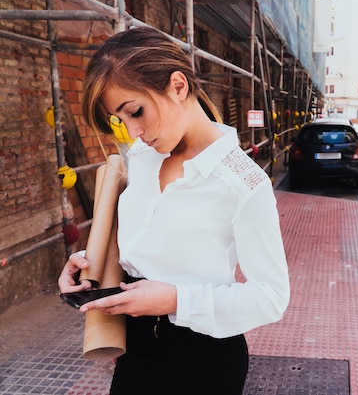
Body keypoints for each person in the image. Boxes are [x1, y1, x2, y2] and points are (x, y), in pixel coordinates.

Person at [58, 26, 290, 395]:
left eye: (136, 111)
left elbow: (271, 297)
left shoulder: (243, 182)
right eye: (122, 121)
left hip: (201, 360)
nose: (133, 132)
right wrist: (87, 264)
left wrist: (175, 299)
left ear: (178, 86)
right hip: (135, 350)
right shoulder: (141, 159)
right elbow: (142, 246)